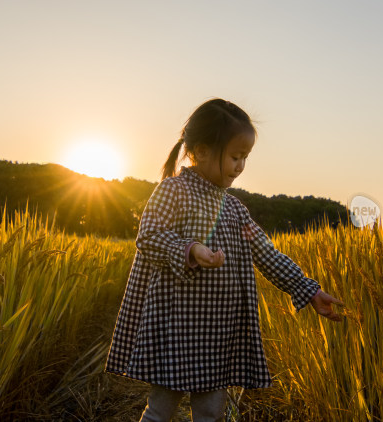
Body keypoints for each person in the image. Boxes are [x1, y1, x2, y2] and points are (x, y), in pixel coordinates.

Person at [105, 98, 345, 421]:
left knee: (210, 414)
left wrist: (309, 290)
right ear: (201, 150)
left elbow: (266, 253)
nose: (240, 166)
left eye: (245, 158)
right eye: (234, 156)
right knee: (160, 411)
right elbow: (148, 235)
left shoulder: (235, 210)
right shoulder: (174, 192)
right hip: (175, 327)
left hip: (219, 334)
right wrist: (190, 250)